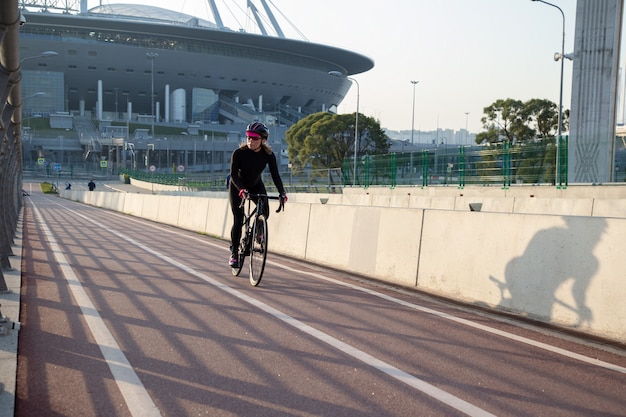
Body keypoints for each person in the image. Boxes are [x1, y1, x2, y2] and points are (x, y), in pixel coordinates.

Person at [228, 121, 287, 267]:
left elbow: (275, 175)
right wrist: (241, 189)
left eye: (254, 138)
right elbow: (233, 175)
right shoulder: (239, 153)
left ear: (263, 140)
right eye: (248, 137)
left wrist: (282, 192)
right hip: (238, 187)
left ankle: (257, 232)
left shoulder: (268, 155)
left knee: (265, 211)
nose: (250, 141)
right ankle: (234, 252)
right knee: (238, 219)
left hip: (255, 185)